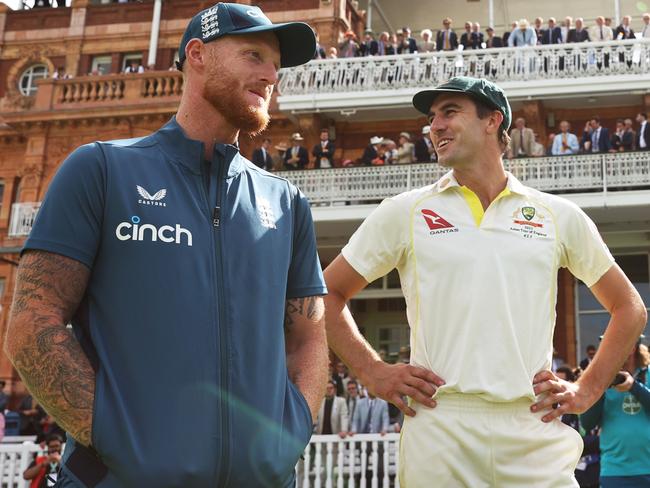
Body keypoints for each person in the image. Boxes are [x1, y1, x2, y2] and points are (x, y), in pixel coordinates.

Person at [5, 4, 329, 487]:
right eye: (253, 55)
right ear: (197, 55)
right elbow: (32, 321)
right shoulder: (101, 170)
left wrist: (291, 434)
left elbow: (308, 339)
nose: (269, 76)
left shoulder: (286, 202)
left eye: (275, 66)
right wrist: (117, 440)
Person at [322, 76, 647, 486]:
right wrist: (372, 370)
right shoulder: (405, 211)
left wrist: (586, 390)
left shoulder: (556, 214)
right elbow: (325, 293)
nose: (434, 126)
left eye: (449, 112)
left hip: (533, 424)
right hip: (441, 425)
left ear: (493, 121)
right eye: (431, 117)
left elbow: (629, 308)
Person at [581, 336, 650, 487]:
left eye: (611, 346)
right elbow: (587, 423)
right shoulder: (600, 380)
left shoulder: (648, 374)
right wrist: (601, 387)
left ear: (631, 348)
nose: (606, 352)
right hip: (614, 471)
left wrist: (633, 387)